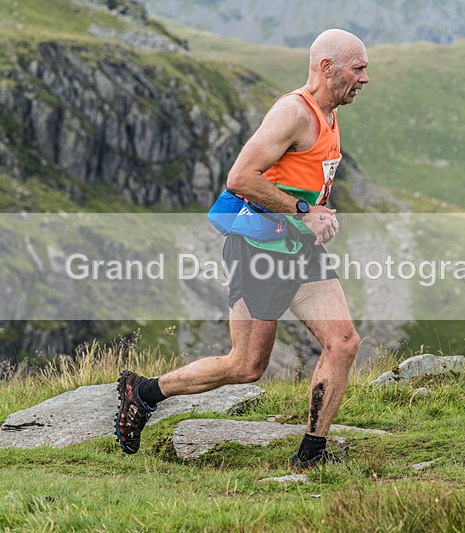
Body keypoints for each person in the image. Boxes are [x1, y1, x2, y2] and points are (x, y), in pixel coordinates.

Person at [115, 29, 370, 471]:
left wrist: (320, 214)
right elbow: (240, 178)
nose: (365, 78)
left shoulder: (330, 114)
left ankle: (312, 454)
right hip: (257, 251)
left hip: (299, 250)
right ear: (327, 68)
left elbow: (298, 177)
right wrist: (303, 210)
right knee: (246, 366)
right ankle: (143, 392)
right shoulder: (294, 112)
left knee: (344, 342)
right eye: (359, 68)